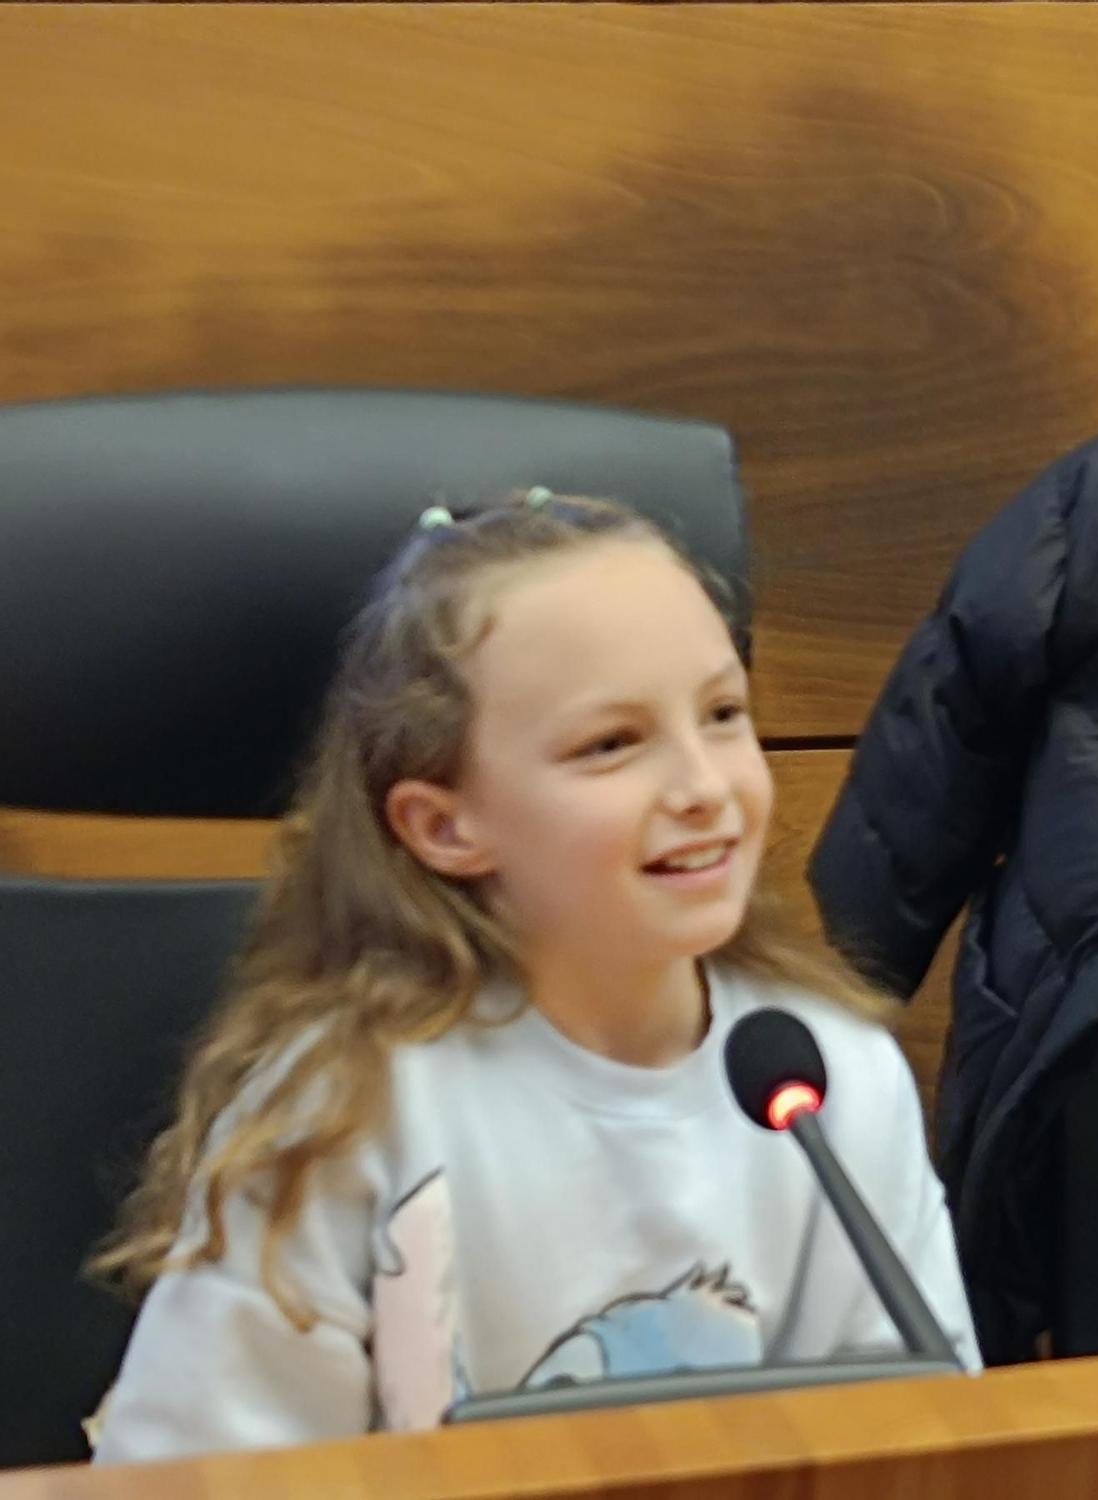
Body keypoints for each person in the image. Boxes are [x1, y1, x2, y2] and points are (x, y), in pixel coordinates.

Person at [91, 492, 976, 1460]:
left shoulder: (826, 1081)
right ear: (443, 825)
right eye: (612, 744)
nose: (704, 786)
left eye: (722, 714)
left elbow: (929, 1447)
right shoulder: (343, 1111)